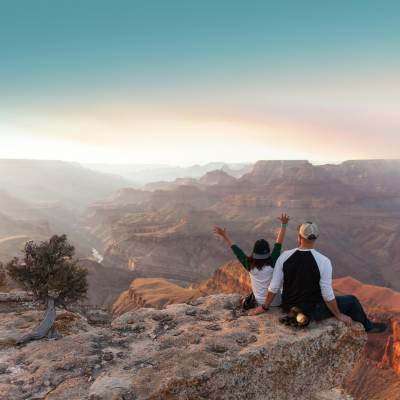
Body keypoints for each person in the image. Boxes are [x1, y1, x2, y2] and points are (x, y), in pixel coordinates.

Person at [249, 221, 387, 333]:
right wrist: (338, 315)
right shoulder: (323, 261)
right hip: (313, 310)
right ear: (316, 238)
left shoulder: (284, 256)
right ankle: (368, 327)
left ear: (299, 237)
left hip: (288, 306)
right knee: (351, 300)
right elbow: (327, 294)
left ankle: (296, 313)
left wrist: (264, 307)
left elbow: (274, 286)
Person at [213, 213, 290, 310]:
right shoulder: (273, 261)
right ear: (268, 252)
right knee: (282, 290)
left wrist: (224, 236)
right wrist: (284, 225)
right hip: (277, 302)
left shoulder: (249, 264)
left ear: (254, 252)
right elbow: (279, 243)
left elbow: (236, 249)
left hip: (259, 302)